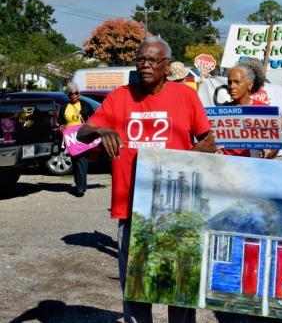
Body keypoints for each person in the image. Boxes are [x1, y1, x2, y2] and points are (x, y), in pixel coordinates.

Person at [77, 36, 216, 323]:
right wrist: (101, 132)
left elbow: (209, 141)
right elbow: (81, 133)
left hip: (177, 209)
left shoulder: (186, 96)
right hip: (132, 208)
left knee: (178, 288)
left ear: (167, 66)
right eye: (141, 59)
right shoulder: (120, 96)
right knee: (136, 290)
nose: (145, 65)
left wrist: (181, 163)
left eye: (153, 60)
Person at [218, 60, 277, 159]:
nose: (231, 86)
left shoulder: (264, 111)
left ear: (250, 85)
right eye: (229, 82)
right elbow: (215, 142)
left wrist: (270, 152)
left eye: (237, 82)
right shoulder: (222, 112)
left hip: (253, 167)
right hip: (227, 167)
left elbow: (275, 147)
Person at [58, 82, 95, 197]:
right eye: (71, 94)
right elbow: (60, 120)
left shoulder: (85, 104)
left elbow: (93, 116)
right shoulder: (65, 106)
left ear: (79, 94)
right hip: (71, 138)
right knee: (75, 162)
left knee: (82, 161)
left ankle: (81, 187)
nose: (74, 96)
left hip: (82, 136)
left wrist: (89, 124)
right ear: (68, 95)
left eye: (76, 94)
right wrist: (62, 125)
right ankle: (78, 183)